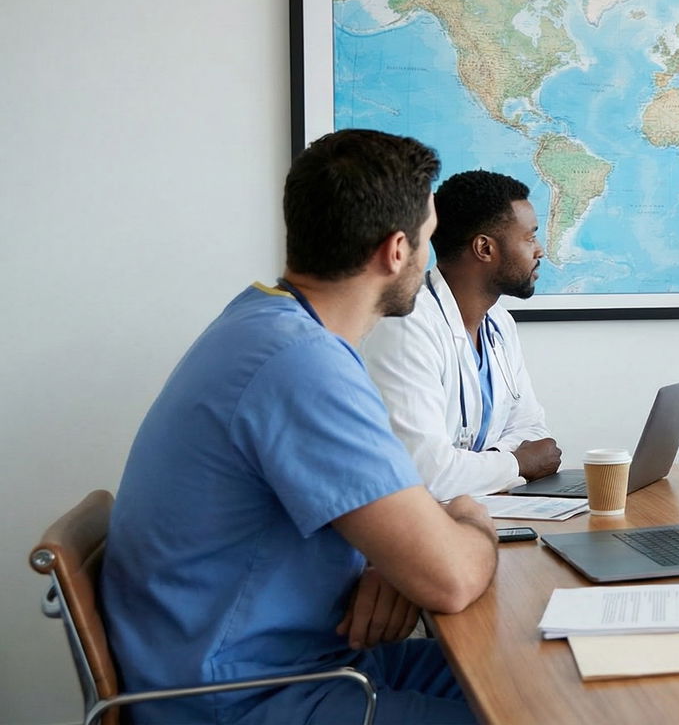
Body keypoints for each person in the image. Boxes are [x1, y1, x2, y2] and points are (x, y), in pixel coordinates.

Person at [100, 129, 498, 724]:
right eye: (429, 241)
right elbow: (450, 580)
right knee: (530, 704)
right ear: (396, 251)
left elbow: (410, 545)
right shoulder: (301, 366)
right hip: (249, 699)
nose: (430, 261)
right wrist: (472, 517)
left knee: (528, 682)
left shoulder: (264, 322)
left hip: (301, 662)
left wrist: (396, 561)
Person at [363, 170, 561, 500]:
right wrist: (515, 464)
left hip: (483, 509)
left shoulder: (499, 323)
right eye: (529, 238)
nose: (540, 251)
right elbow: (428, 475)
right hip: (416, 529)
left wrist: (477, 467)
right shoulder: (406, 325)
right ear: (484, 248)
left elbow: (534, 434)